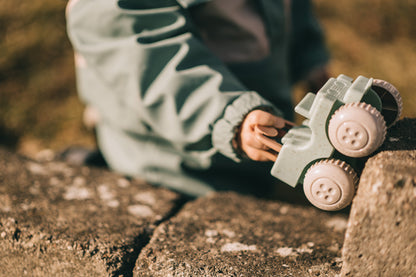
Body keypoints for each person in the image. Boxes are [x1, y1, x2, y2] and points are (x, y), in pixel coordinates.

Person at [65, 0, 330, 197]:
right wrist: (225, 116)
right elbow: (139, 51)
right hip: (170, 159)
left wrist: (310, 58)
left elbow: (288, 10)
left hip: (258, 127)